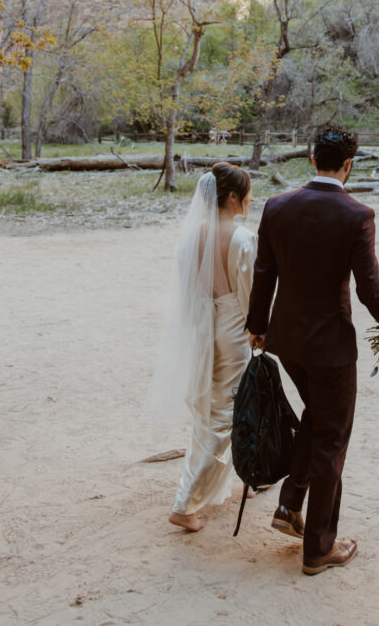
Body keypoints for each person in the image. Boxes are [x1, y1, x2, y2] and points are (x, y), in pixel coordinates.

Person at [246, 123, 379, 575]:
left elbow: (265, 272)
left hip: (287, 341)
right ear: (349, 165)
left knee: (317, 420)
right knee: (332, 439)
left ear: (312, 159)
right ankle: (319, 548)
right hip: (332, 349)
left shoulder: (277, 206)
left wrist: (256, 327)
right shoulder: (356, 214)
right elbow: (369, 288)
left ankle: (288, 506)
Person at [145, 162, 256, 533]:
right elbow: (250, 295)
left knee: (211, 407)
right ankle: (185, 503)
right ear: (232, 197)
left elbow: (189, 291)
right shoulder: (241, 238)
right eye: (248, 193)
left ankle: (237, 476)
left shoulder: (192, 237)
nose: (251, 200)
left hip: (201, 329)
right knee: (226, 413)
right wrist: (260, 330)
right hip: (232, 329)